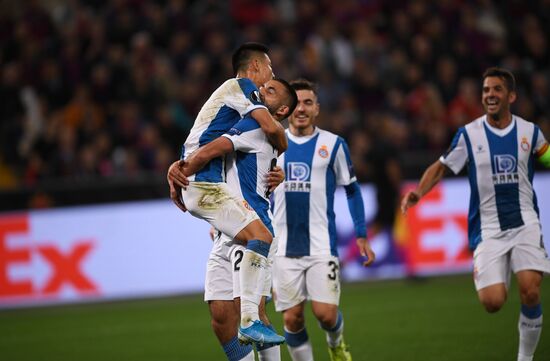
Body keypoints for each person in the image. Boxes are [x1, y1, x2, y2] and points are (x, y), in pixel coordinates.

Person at [401, 67, 550, 361]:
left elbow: (546, 154)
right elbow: (441, 166)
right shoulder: (469, 134)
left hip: (525, 223)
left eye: (496, 89)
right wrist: (419, 192)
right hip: (488, 228)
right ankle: (496, 270)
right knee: (492, 302)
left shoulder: (529, 132)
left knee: (531, 291)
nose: (490, 95)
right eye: (486, 90)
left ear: (511, 96)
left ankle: (525, 358)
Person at [169, 78, 298, 360]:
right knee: (221, 316)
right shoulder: (251, 124)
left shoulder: (257, 126)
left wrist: (179, 171)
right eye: (264, 87)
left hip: (252, 229)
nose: (262, 89)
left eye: (271, 90)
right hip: (227, 229)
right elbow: (205, 139)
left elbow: (212, 149)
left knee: (250, 312)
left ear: (282, 110)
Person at [271, 79, 375, 361]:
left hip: (321, 245)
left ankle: (336, 342)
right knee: (292, 319)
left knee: (326, 315)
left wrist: (361, 234)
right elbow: (250, 188)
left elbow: (352, 190)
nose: (301, 109)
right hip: (281, 248)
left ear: (317, 108)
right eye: (297, 103)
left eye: (308, 103)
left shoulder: (334, 144)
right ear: (286, 107)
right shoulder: (271, 142)